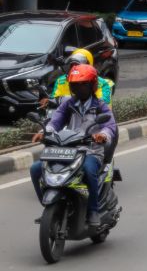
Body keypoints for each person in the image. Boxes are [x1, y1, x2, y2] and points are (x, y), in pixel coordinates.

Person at [30, 65, 117, 227]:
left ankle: (93, 210)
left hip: (91, 150)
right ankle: (49, 207)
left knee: (89, 169)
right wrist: (44, 132)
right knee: (36, 169)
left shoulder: (100, 106)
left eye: (82, 84)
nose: (77, 88)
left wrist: (102, 135)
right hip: (67, 149)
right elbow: (55, 122)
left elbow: (110, 127)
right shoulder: (68, 104)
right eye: (74, 84)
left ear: (92, 85)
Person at [42, 48, 114, 108]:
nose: (75, 69)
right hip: (68, 119)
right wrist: (49, 101)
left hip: (94, 120)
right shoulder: (61, 81)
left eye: (78, 66)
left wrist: (65, 101)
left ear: (88, 66)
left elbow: (101, 103)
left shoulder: (103, 83)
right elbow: (55, 99)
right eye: (72, 66)